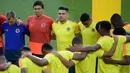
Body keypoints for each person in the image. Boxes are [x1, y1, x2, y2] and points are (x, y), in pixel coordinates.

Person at [52, 36, 118, 73]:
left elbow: (69, 65)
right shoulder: (93, 50)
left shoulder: (77, 53)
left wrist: (58, 55)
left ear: (74, 45)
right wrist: (116, 42)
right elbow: (110, 53)